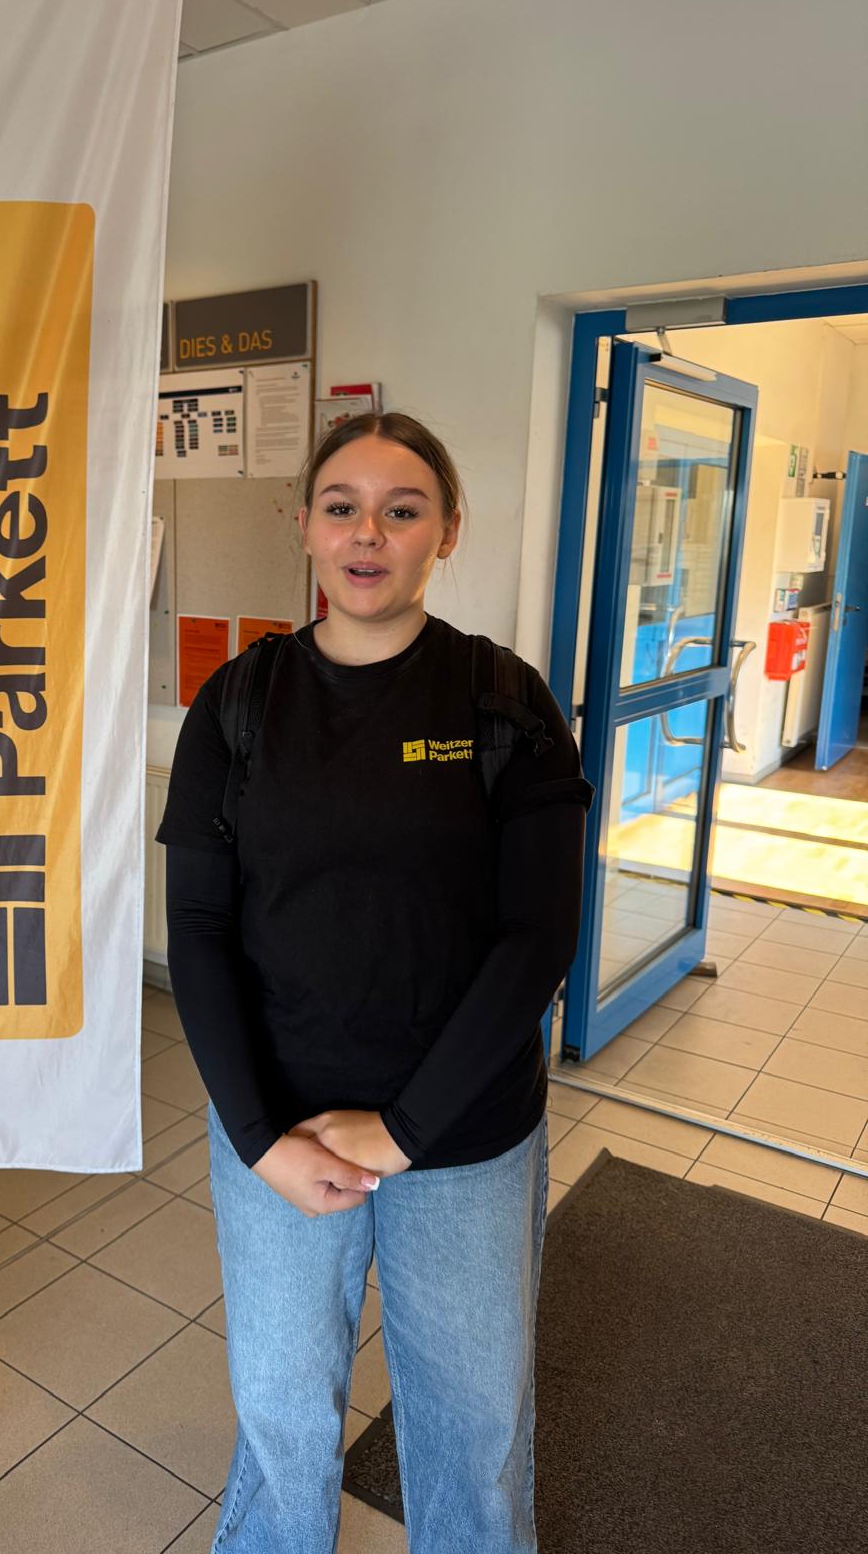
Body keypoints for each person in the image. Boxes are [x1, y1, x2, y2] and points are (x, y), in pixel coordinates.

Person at [155, 411, 594, 1554]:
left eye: (402, 510)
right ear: (303, 524)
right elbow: (198, 928)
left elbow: (538, 935)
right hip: (280, 1126)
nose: (368, 534)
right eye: (342, 506)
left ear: (447, 531)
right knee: (283, 1412)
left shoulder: (504, 701)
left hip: (464, 1134)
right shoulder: (238, 703)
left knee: (472, 1422)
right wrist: (259, 1135)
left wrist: (405, 1128)